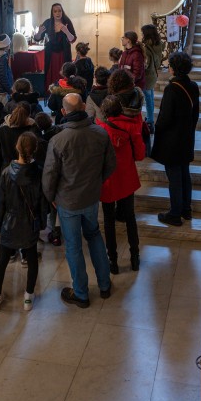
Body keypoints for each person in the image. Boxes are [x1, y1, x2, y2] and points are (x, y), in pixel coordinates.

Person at [42, 94, 116, 308]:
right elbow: (111, 164)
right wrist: (97, 182)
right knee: (94, 235)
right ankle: (104, 285)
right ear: (83, 107)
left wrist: (51, 198)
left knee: (73, 246)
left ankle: (81, 293)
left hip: (67, 201)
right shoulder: (100, 133)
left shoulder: (58, 140)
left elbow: (49, 175)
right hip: (91, 197)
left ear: (64, 112)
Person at [0, 132, 47, 313]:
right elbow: (42, 202)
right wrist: (42, 223)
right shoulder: (38, 172)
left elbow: (0, 202)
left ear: (17, 147)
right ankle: (28, 296)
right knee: (31, 259)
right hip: (29, 223)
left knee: (2, 260)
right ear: (35, 150)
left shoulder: (7, 172)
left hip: (10, 221)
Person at [98, 95, 145, 274]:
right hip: (126, 176)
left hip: (108, 180)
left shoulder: (100, 129)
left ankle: (113, 262)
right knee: (130, 217)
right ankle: (135, 257)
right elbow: (140, 154)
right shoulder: (132, 126)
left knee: (109, 222)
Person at [151, 52, 200, 226]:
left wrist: (157, 129)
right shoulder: (193, 86)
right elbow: (196, 114)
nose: (169, 66)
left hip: (172, 140)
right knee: (185, 174)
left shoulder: (172, 88)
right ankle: (186, 210)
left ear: (174, 68)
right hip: (186, 137)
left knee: (174, 177)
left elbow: (165, 118)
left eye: (170, 64)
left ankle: (174, 214)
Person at [34, 3, 76, 92]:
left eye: (59, 11)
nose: (58, 13)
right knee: (51, 75)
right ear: (52, 13)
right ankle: (52, 94)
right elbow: (37, 38)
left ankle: (64, 92)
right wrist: (39, 32)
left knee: (65, 74)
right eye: (55, 11)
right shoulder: (48, 23)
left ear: (62, 11)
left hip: (64, 54)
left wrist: (67, 32)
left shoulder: (67, 22)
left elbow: (72, 40)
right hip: (51, 54)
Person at [34, 112, 62, 246]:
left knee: (52, 208)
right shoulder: (59, 131)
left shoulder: (43, 141)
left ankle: (55, 234)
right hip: (61, 174)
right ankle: (57, 232)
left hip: (50, 175)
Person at [141, 23, 164, 133]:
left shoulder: (146, 48)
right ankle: (150, 119)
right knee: (150, 97)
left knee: (148, 98)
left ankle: (150, 120)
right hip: (154, 73)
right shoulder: (159, 44)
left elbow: (146, 64)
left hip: (148, 75)